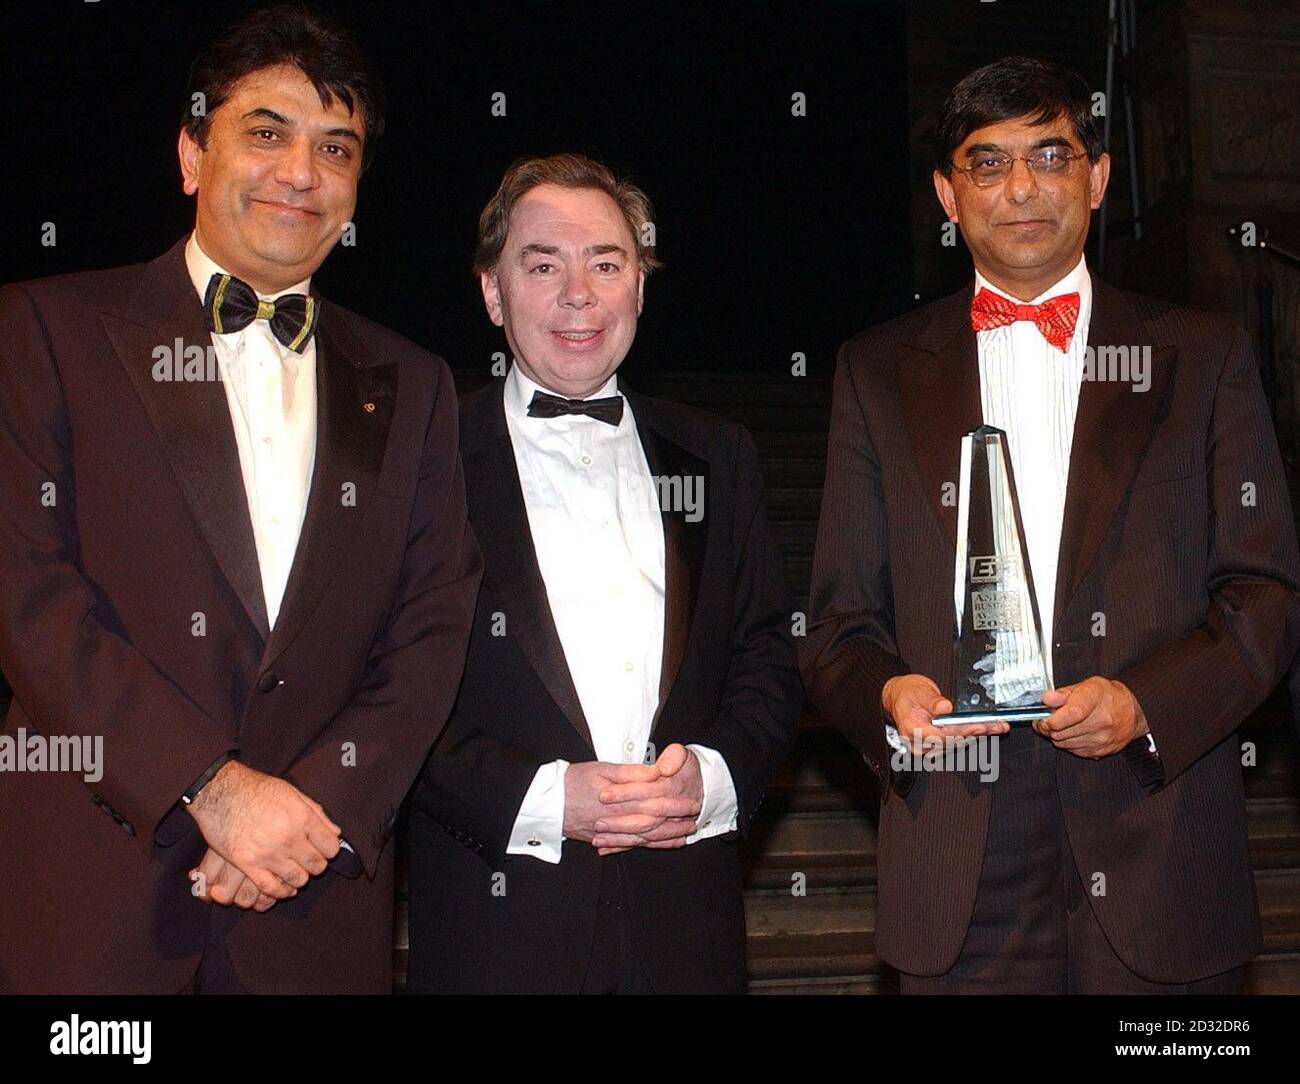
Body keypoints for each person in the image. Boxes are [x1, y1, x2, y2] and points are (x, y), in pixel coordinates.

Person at [0, 3, 481, 993]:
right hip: (93, 898)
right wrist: (209, 787)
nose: (301, 172)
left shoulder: (415, 380)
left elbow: (433, 625)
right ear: (190, 152)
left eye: (335, 148)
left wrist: (318, 806)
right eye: (266, 132)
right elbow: (26, 597)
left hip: (314, 902)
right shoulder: (43, 329)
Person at [799, 56, 1300, 993]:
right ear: (948, 196)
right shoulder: (873, 372)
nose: (1021, 187)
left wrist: (1149, 703)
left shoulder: (1204, 355)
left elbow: (1264, 590)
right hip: (957, 846)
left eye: (1050, 155)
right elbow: (835, 625)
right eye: (987, 164)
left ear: (1098, 178)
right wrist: (889, 703)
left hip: (1160, 837)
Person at [406, 153, 803, 993]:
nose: (578, 292)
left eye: (607, 263)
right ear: (492, 292)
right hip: (496, 938)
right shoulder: (424, 460)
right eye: (542, 264)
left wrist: (717, 779)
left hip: (687, 933)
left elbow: (766, 660)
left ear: (640, 287)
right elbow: (386, 690)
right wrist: (546, 799)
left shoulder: (718, 456)